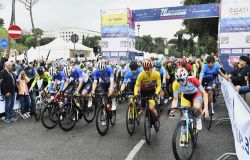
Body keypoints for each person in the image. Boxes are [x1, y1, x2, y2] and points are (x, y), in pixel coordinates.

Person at [134, 59, 161, 128]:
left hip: (152, 92)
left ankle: (157, 119)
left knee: (151, 108)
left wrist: (156, 93)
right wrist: (136, 94)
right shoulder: (141, 75)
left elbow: (159, 85)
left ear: (151, 68)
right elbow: (137, 85)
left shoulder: (156, 74)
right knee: (142, 109)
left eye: (148, 69)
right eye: (145, 69)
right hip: (143, 91)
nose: (146, 71)